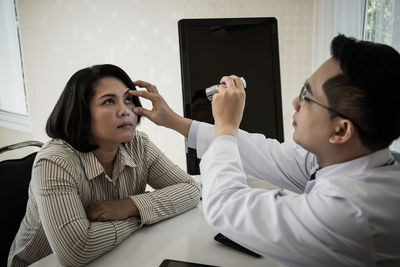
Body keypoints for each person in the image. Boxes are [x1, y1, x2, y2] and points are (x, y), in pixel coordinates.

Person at [129, 34, 400, 266]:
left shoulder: (351, 213)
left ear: (341, 131)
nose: (295, 102)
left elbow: (227, 207)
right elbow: (266, 154)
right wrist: (176, 121)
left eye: (308, 96)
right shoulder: (355, 161)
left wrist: (226, 125)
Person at [7, 64, 200, 267]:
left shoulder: (139, 145)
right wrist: (138, 215)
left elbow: (190, 190)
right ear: (81, 114)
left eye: (128, 99)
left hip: (115, 255)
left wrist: (129, 206)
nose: (125, 111)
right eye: (109, 101)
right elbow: (77, 250)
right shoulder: (55, 161)